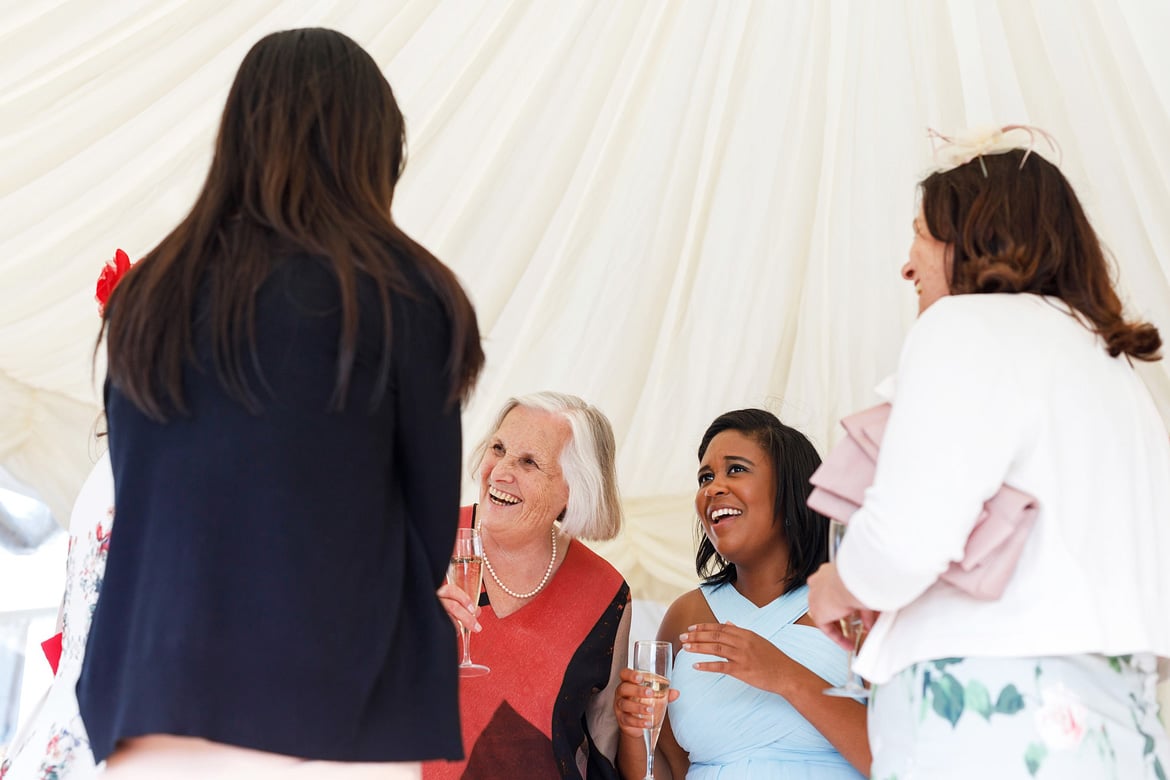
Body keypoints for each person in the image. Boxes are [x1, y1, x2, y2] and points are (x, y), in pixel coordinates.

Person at [77, 27, 484, 779]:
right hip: (333, 708)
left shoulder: (144, 297)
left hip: (148, 703)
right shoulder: (403, 295)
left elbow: (138, 492)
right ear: (369, 151)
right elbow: (429, 539)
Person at [808, 130, 1170, 779]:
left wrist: (840, 583)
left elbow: (904, 541)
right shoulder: (1115, 373)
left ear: (971, 238)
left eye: (921, 234)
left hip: (990, 725)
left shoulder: (963, 327)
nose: (907, 264)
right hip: (1123, 725)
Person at [614, 409, 869, 779]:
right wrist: (634, 731)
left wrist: (785, 675)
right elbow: (666, 769)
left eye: (735, 469)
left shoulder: (856, 606)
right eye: (706, 476)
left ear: (790, 489)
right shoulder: (686, 615)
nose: (713, 487)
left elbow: (903, 761)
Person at [425, 392, 630, 779]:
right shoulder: (421, 541)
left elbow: (603, 743)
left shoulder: (606, 594)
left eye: (529, 462)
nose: (500, 471)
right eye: (498, 448)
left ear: (574, 487)